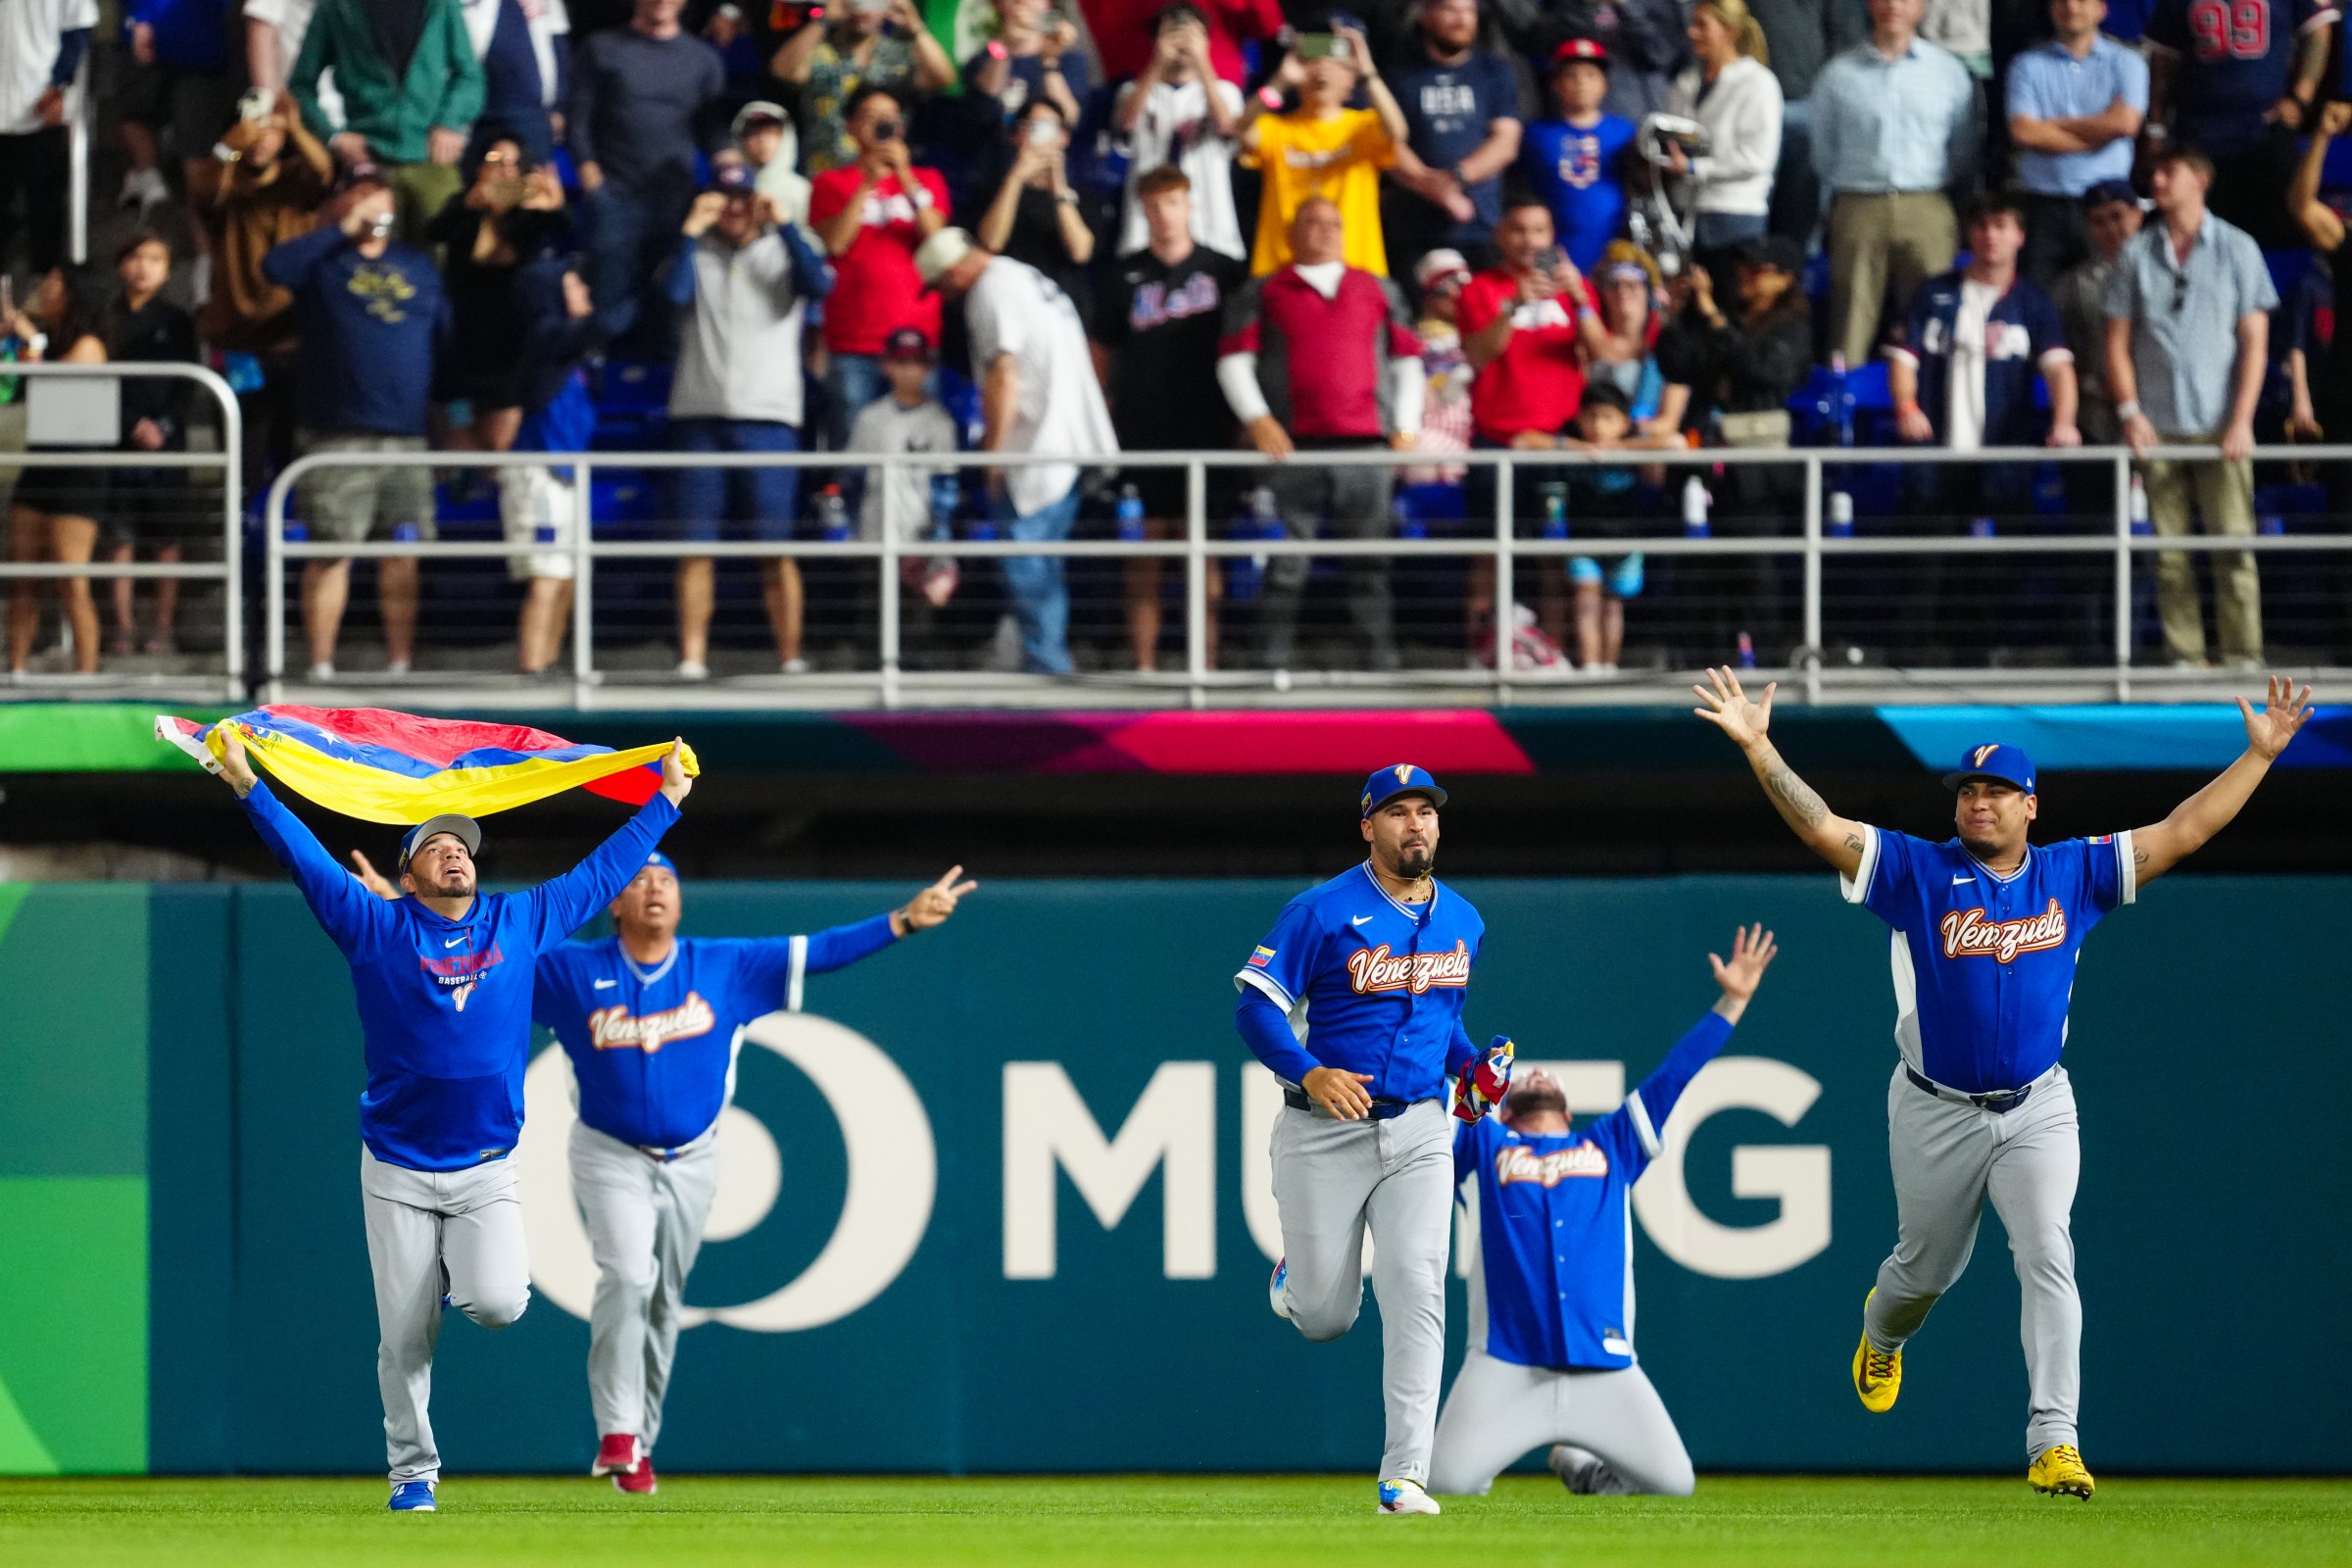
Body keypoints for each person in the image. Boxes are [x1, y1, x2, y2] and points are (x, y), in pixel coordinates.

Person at [1690, 663, 2314, 1499]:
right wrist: (1761, 748)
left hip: (2038, 1107)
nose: (1977, 801)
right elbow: (1825, 830)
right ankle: (1882, 1332)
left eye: (1997, 790)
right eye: (1967, 790)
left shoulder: (2075, 872)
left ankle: (2055, 1440)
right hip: (1934, 1107)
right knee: (1924, 1274)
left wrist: (2260, 758)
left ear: (2030, 807)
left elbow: (2182, 831)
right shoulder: (1917, 871)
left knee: (2048, 1251)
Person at [344, 846, 972, 1494]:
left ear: (680, 898)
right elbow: (474, 960)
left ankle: (637, 1442)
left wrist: (902, 921)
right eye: (638, 879)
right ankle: (617, 1431)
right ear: (613, 900)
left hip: (695, 1156)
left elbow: (818, 951)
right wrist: (399, 916)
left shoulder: (722, 966)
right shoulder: (570, 970)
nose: (653, 889)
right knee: (627, 1274)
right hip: (610, 1152)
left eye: (666, 879)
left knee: (663, 1300)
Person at [210, 721, 692, 1512]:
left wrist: (666, 801)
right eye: (436, 844)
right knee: (402, 1340)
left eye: (463, 843)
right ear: (408, 872)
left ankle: (440, 1280)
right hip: (397, 1165)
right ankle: (413, 1475)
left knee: (500, 1305)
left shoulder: (521, 920)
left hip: (484, 1168)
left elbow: (602, 871)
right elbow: (304, 858)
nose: (456, 851)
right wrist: (247, 785)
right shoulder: (374, 928)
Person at [1233, 765, 1506, 1517]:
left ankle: (1404, 1476)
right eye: (1397, 812)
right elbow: (1255, 1010)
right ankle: (1298, 1277)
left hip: (1420, 1128)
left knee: (1419, 1284)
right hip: (1326, 1128)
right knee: (1327, 1317)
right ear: (1368, 827)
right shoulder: (1321, 910)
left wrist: (1473, 1071)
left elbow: (1441, 1023)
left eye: (1426, 811)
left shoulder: (1464, 919)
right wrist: (1310, 1069)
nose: (1415, 823)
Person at [1429, 924, 1779, 1498]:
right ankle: (1560, 1451)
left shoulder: (1609, 1144)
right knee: (1447, 1484)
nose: (1536, 1073)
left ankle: (1578, 1460)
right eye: (1524, 1075)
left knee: (1674, 1484)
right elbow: (1431, 1087)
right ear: (1505, 1102)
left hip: (1607, 1364)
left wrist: (1732, 1000)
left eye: (1546, 1074)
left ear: (1568, 1107)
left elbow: (1675, 1075)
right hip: (1506, 1365)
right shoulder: (1486, 1141)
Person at [1217, 197, 1423, 673]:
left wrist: (1406, 427)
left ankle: (1380, 667)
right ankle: (1268, 669)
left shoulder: (1378, 288)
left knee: (1370, 567)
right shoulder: (1264, 290)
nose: (1325, 231)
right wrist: (1258, 419)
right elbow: (1233, 360)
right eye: (1312, 222)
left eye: (1334, 223)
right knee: (1284, 568)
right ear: (1291, 233)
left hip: (1368, 449)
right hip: (1292, 451)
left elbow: (1408, 360)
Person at [265, 163, 451, 682]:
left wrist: (446, 421)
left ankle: (399, 665)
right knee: (331, 551)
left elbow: (444, 342)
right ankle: (321, 665)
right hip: (335, 431)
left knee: (402, 553)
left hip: (408, 433)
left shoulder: (418, 266)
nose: (374, 203)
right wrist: (341, 229)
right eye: (361, 194)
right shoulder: (323, 261)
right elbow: (274, 268)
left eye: (381, 194)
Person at [1886, 195, 2079, 661]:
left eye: (2001, 224)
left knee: (1996, 564)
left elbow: (2059, 370)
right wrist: (1907, 405)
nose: (1990, 235)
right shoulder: (1934, 294)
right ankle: (1907, 660)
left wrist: (2065, 422)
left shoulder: (2032, 303)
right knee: (1925, 561)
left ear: (2019, 236)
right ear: (1970, 236)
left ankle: (1981, 655)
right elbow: (1902, 359)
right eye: (1982, 226)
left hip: (2002, 459)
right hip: (1938, 456)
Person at [2104, 144, 2275, 668]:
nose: (2157, 180)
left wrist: (2242, 420)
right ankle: (2185, 658)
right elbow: (2115, 343)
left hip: (2222, 428)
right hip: (2157, 428)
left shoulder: (2238, 248)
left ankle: (2243, 657)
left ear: (2200, 179)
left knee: (2234, 551)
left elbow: (2255, 341)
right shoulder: (2135, 253)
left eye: (2168, 171)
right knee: (2169, 556)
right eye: (2153, 172)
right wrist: (2131, 414)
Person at [918, 224, 1117, 676]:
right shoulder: (1022, 275)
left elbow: (1003, 376)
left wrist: (993, 455)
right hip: (1074, 436)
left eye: (940, 286)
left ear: (952, 272)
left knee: (1026, 561)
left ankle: (1047, 667)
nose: (944, 297)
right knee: (1041, 563)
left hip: (1040, 445)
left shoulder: (990, 290)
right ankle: (1041, 657)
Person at [666, 162, 834, 680]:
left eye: (743, 197)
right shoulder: (696, 252)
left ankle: (790, 656)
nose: (735, 208)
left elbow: (818, 286)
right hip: (700, 417)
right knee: (696, 550)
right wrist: (690, 232)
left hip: (769, 418)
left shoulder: (783, 249)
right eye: (724, 197)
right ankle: (692, 658)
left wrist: (784, 226)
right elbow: (669, 296)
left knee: (775, 548)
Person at [1093, 164, 1244, 671]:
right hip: (1144, 434)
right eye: (1154, 205)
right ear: (1142, 211)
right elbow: (1101, 353)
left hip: (1210, 430)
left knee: (1206, 560)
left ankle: (1207, 669)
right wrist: (1103, 417)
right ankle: (1145, 669)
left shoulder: (1225, 271)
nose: (1164, 214)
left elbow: (1247, 351)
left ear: (1191, 205)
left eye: (1173, 203)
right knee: (1145, 560)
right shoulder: (1121, 276)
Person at [1455, 196, 1600, 655]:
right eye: (1518, 229)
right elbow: (1478, 354)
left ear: (1551, 236)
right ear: (1501, 236)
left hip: (1560, 440)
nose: (1528, 240)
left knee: (1552, 556)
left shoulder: (1576, 288)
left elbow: (1602, 354)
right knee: (1487, 554)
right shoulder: (1480, 289)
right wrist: (1511, 306)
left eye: (1538, 230)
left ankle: (1551, 653)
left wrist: (1580, 300)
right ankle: (1483, 653)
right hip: (1497, 439)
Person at [1810, 0, 1978, 368]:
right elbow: (1823, 151)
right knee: (1849, 317)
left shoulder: (1948, 73)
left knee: (1934, 319)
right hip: (1858, 205)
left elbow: (1962, 147)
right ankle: (1842, 415)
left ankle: (1937, 409)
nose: (1892, 6)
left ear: (1922, 7)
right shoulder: (1838, 75)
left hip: (1927, 206)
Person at [568, 0, 726, 350]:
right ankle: (594, 391)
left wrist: (727, 162)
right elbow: (577, 122)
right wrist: (593, 181)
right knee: (607, 311)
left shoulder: (703, 59)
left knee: (669, 307)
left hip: (676, 202)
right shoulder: (601, 48)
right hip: (616, 197)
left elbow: (713, 129)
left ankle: (661, 398)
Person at [810, 83, 950, 447]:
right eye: (871, 118)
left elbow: (938, 240)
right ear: (851, 127)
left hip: (916, 344)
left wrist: (904, 178)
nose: (882, 126)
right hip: (853, 339)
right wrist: (866, 185)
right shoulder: (830, 182)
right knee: (854, 448)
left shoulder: (929, 180)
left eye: (890, 119)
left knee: (916, 450)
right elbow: (836, 241)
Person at [289, 0, 485, 239]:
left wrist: (450, 122)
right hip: (367, 161)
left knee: (443, 255)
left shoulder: (442, 5)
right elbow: (300, 87)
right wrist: (333, 137)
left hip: (431, 158)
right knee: (370, 263)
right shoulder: (337, 7)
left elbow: (469, 76)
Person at [2145, 0, 2333, 249]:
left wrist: (2301, 98)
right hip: (2199, 137)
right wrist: (2156, 128)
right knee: (2200, 241)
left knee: (2281, 235)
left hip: (2266, 132)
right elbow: (2163, 61)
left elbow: (2318, 28)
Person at [426, 137, 570, 456]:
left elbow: (568, 238)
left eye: (512, 164)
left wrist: (555, 206)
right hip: (459, 355)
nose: (504, 171)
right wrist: (469, 205)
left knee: (496, 447)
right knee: (456, 443)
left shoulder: (533, 214)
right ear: (480, 167)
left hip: (509, 358)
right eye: (496, 160)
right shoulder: (464, 207)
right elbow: (431, 232)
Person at [1506, 381, 1659, 671]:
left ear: (1625, 422)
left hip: (1624, 544)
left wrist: (1620, 448)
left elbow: (1674, 443)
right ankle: (1590, 667)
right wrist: (1578, 448)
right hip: (1582, 541)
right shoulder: (1572, 441)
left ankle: (1608, 666)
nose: (1599, 426)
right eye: (1592, 417)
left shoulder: (1633, 444)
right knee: (1586, 602)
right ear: (1580, 419)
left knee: (1612, 607)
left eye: (1608, 418)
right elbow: (1522, 441)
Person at [4, 264, 112, 676]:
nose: (43, 289)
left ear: (72, 292)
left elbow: (61, 386)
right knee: (23, 578)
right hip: (40, 464)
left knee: (71, 580)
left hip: (79, 470)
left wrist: (31, 340)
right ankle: (15, 667)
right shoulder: (50, 340)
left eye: (53, 282)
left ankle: (86, 674)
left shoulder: (88, 344)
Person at [1236, 21, 1408, 276]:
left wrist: (1367, 72)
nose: (1323, 70)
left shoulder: (1364, 127)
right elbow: (1241, 129)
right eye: (1313, 62)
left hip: (1356, 270)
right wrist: (1280, 80)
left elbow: (1398, 131)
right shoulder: (1277, 128)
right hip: (1283, 272)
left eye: (1335, 64)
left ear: (1351, 78)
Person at [499, 257, 603, 675]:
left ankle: (551, 663)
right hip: (539, 472)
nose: (587, 294)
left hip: (568, 472)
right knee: (547, 573)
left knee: (569, 574)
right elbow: (607, 321)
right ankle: (532, 668)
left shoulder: (576, 356)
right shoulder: (547, 339)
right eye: (576, 285)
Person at [2004, 0, 2147, 288]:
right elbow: (2024, 132)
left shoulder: (2127, 62)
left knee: (2112, 300)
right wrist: (2097, 134)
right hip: (2043, 205)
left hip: (2107, 205)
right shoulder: (2026, 65)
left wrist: (2054, 124)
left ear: (2101, 10)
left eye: (2082, 1)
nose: (2071, 7)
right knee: (2039, 303)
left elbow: (2125, 125)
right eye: (2061, 1)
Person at [103, 231, 199, 658]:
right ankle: (122, 629)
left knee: (166, 540)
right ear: (122, 263)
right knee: (119, 539)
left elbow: (188, 383)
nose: (144, 266)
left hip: (168, 444)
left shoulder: (178, 321)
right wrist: (129, 424)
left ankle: (164, 629)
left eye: (155, 259)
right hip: (114, 442)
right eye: (136, 256)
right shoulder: (103, 317)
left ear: (168, 270)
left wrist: (160, 425)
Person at [1382, 0, 1521, 277]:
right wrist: (1429, 184)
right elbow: (1387, 143)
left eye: (1469, 11)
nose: (1462, 20)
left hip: (1480, 226)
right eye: (1450, 10)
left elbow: (1506, 143)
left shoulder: (1494, 70)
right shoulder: (1398, 73)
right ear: (1426, 17)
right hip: (1413, 227)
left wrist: (1456, 177)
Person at [846, 327, 963, 645]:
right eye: (901, 362)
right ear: (886, 366)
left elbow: (946, 483)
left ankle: (915, 687)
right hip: (875, 532)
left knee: (916, 628)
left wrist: (938, 538)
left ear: (927, 368)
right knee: (872, 620)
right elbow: (854, 478)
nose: (909, 370)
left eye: (916, 362)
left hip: (917, 537)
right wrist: (851, 527)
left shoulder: (940, 421)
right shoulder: (870, 417)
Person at [1664, 0, 1784, 293]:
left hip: (1735, 217)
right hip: (1686, 215)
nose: (1692, 33)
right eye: (1693, 25)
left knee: (1728, 309)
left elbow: (1757, 157)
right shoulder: (1686, 83)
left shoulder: (1758, 82)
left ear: (1729, 30)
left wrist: (1695, 167)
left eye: (1702, 25)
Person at [1111, 1, 1245, 260]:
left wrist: (1202, 62)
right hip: (1145, 228)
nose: (1183, 42)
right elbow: (1125, 124)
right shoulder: (1132, 91)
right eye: (1172, 33)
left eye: (1193, 34)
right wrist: (1157, 63)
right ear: (1155, 41)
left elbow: (1227, 128)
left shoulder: (1225, 92)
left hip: (1211, 224)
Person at [772, 0, 955, 176]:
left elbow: (943, 78)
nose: (860, 11)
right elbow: (782, 70)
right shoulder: (819, 52)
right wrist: (824, 19)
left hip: (884, 175)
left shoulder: (898, 54)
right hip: (827, 174)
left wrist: (915, 27)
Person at [1515, 39, 1637, 275]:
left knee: (1608, 304)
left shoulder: (1623, 132)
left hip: (1613, 248)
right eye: (1571, 75)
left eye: (1591, 75)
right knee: (1552, 303)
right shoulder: (1537, 134)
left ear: (1604, 84)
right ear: (1556, 84)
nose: (1581, 83)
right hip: (1551, 250)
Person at [118, 0, 238, 228]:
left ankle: (205, 251)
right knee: (134, 115)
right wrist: (140, 17)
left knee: (197, 150)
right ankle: (152, 189)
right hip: (147, 40)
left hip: (203, 46)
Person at [970, 98, 1095, 313]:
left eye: (1051, 127)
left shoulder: (1085, 195)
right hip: (1008, 307)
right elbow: (991, 244)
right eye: (1034, 126)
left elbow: (1080, 251)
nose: (1043, 135)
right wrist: (1016, 178)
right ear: (1016, 135)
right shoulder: (992, 191)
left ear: (1064, 137)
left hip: (1062, 309)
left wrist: (1059, 188)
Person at [0, 0, 92, 282]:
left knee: (44, 202)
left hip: (41, 105)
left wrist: (59, 86)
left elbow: (77, 32)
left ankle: (44, 283)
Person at [2050, 181, 2141, 450]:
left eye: (2117, 215)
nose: (2111, 229)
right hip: (2095, 415)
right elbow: (2057, 347)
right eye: (2099, 221)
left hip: (2159, 412)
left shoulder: (2166, 273)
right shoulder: (2072, 285)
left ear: (2137, 215)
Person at [455, 0, 569, 166]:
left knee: (533, 184)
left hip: (531, 113)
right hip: (474, 112)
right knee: (476, 185)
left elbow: (559, 45)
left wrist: (559, 105)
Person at [962, 0, 1089, 128]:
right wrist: (1005, 45)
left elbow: (1070, 118)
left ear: (1047, 4)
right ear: (997, 5)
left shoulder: (1068, 58)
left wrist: (1048, 61)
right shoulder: (983, 57)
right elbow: (983, 109)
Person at [733, 99, 810, 225]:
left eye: (770, 132)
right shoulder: (731, 188)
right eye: (753, 133)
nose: (762, 140)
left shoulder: (802, 190)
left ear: (786, 137)